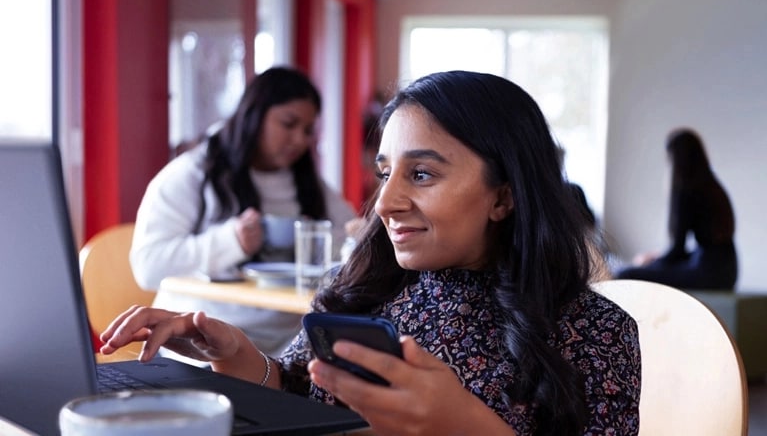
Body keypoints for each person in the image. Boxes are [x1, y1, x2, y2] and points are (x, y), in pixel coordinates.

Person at [103, 70, 641, 435]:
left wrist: (463, 425)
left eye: (422, 174)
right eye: (384, 173)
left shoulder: (596, 332)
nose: (384, 202)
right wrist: (235, 354)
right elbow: (295, 390)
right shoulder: (365, 289)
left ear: (504, 195)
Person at [129, 66, 356, 357]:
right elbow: (148, 267)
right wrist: (231, 242)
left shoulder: (308, 183)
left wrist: (314, 241)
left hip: (291, 344)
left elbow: (354, 238)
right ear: (254, 116)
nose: (300, 140)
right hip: (203, 342)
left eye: (308, 130)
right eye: (289, 124)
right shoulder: (192, 174)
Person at [615, 128, 737, 291]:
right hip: (728, 271)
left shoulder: (687, 190)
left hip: (707, 273)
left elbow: (677, 250)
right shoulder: (713, 186)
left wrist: (648, 264)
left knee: (625, 274)